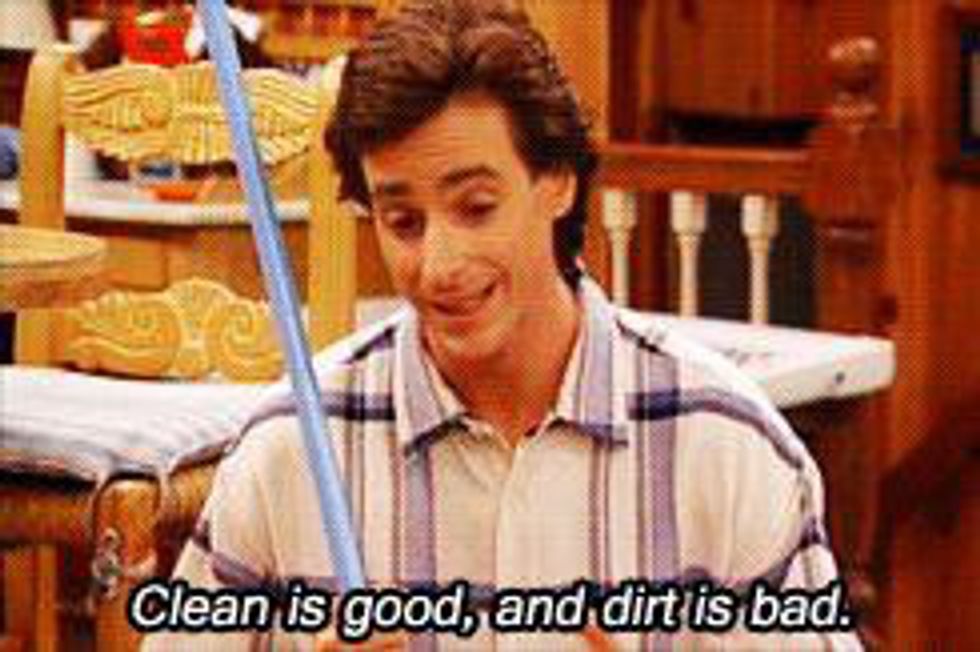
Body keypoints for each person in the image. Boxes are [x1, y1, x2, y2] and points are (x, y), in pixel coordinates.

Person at [144, 1, 859, 649]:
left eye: (476, 208)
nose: (440, 265)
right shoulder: (289, 450)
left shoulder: (728, 445)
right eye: (403, 221)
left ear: (558, 181)